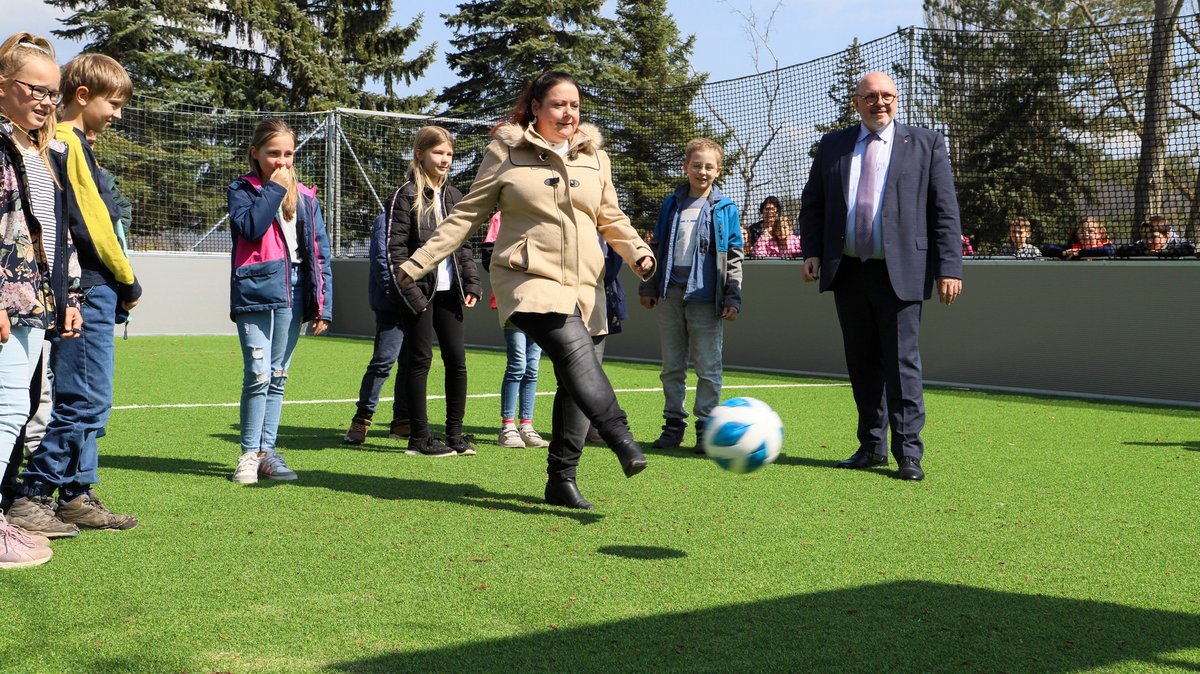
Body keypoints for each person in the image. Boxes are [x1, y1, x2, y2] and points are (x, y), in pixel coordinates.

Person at [394, 70, 656, 509]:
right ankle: (620, 435)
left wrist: (638, 253)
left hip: (585, 286)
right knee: (575, 356)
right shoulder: (507, 151)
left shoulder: (595, 157)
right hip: (528, 278)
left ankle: (561, 479)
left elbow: (611, 217)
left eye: (574, 104)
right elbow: (465, 216)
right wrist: (420, 261)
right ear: (536, 107)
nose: (568, 112)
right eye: (558, 104)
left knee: (576, 381)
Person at [798, 71, 963, 482]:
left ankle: (908, 452)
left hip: (902, 271)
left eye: (887, 95)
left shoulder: (926, 143)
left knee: (901, 363)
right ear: (857, 102)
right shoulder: (834, 145)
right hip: (848, 270)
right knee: (862, 363)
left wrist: (949, 267)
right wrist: (813, 250)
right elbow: (813, 203)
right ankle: (871, 446)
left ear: (897, 99)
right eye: (870, 96)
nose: (880, 103)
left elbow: (944, 210)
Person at [10, 52, 143, 535]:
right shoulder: (65, 142)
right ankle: (35, 492)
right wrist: (128, 281)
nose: (118, 115)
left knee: (88, 400)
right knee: (83, 400)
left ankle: (76, 493)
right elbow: (91, 224)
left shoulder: (68, 141)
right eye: (115, 104)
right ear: (83, 96)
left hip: (87, 285)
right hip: (87, 285)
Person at [0, 31, 83, 566]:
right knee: (6, 411)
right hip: (10, 303)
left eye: (52, 93)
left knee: (17, 408)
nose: (46, 101)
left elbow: (57, 234)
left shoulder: (39, 150)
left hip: (37, 302)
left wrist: (69, 293)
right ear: (3, 86)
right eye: (36, 89)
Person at [226, 118, 333, 483]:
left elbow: (319, 252)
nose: (283, 162)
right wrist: (274, 188)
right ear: (255, 153)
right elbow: (251, 228)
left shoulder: (306, 197)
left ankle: (267, 452)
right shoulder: (243, 189)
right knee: (257, 375)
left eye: (288, 154)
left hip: (296, 291)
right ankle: (248, 455)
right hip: (256, 291)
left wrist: (323, 304)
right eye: (274, 154)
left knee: (277, 376)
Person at [640, 138, 743, 453]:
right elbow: (656, 245)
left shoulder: (725, 209)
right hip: (670, 294)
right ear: (686, 167)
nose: (702, 171)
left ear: (718, 171)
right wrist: (649, 285)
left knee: (708, 367)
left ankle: (706, 428)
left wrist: (732, 297)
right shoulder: (673, 204)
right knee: (672, 365)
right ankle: (673, 426)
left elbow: (734, 256)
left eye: (709, 166)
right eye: (696, 165)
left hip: (706, 299)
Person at [386, 125, 481, 458]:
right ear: (420, 153)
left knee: (457, 361)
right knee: (419, 361)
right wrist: (412, 294)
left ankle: (454, 435)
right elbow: (394, 251)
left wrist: (471, 283)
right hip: (420, 295)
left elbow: (464, 247)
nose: (445, 160)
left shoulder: (455, 196)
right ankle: (420, 438)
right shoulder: (406, 195)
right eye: (438, 153)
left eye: (449, 154)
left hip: (449, 292)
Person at [343, 189, 409, 446]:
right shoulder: (386, 220)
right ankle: (361, 419)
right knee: (383, 362)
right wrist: (398, 293)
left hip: (418, 304)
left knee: (410, 364)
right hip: (392, 304)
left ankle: (402, 422)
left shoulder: (425, 219)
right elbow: (382, 261)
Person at [482, 212, 549, 450]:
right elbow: (488, 256)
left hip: (541, 302)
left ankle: (527, 425)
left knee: (533, 366)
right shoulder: (501, 218)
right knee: (518, 364)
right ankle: (507, 426)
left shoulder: (546, 217)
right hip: (513, 301)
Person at [1121, 216, 1195, 257]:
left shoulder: (1179, 243)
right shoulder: (1141, 245)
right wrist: (1145, 252)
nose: (1148, 241)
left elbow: (1189, 248)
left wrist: (1160, 253)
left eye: (1153, 237)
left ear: (1166, 235)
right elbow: (1122, 250)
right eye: (1144, 237)